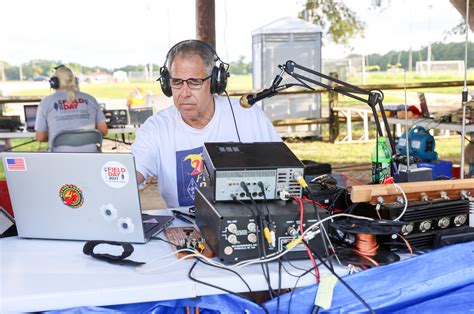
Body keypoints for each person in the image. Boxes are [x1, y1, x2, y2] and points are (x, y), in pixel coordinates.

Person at [131, 40, 281, 208]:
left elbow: (284, 172)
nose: (185, 93)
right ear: (167, 84)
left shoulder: (249, 116)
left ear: (216, 82)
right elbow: (130, 176)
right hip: (184, 228)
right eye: (177, 82)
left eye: (194, 82)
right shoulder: (156, 128)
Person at [35, 65, 108, 152]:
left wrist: (55, 135)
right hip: (90, 156)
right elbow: (103, 131)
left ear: (54, 82)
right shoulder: (90, 99)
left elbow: (40, 137)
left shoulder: (46, 102)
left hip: (60, 158)